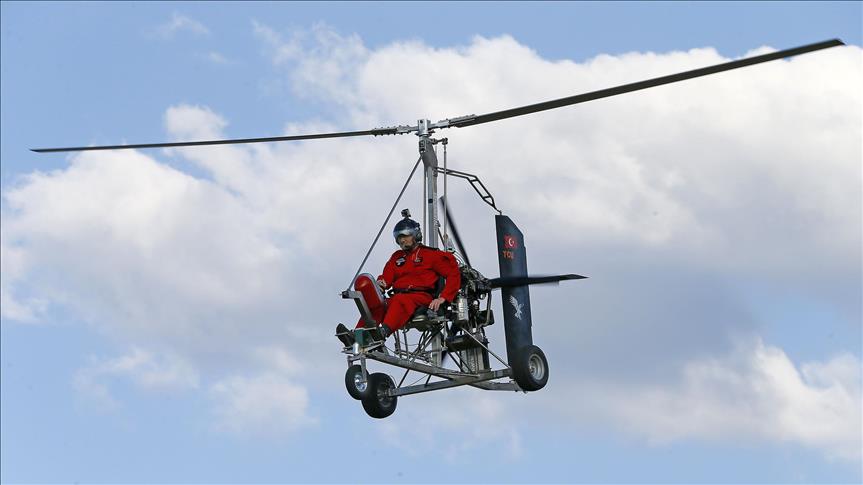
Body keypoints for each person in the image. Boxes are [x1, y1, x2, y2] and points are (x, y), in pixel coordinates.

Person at [336, 212, 461, 346]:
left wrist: (443, 298)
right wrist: (380, 284)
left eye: (405, 236)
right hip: (400, 297)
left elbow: (453, 274)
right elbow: (387, 277)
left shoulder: (431, 255)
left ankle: (382, 332)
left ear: (416, 235)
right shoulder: (397, 258)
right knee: (378, 304)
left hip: (421, 297)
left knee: (399, 300)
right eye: (399, 237)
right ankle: (357, 336)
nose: (402, 240)